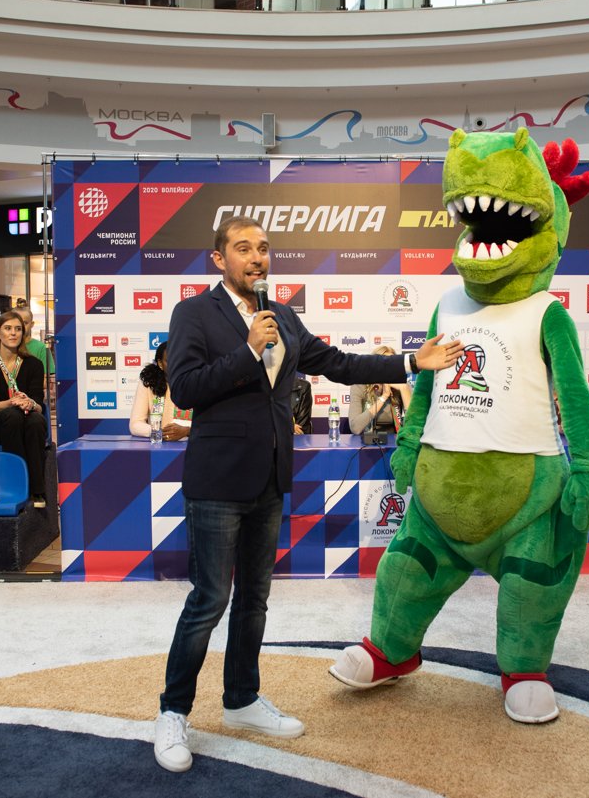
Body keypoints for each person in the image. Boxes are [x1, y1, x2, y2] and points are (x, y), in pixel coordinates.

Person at [154, 216, 464, 773]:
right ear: (219, 259)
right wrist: (248, 350)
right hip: (216, 481)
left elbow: (340, 364)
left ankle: (241, 700)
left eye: (263, 248)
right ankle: (173, 711)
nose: (257, 257)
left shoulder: (285, 316)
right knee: (209, 600)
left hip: (270, 480)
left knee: (254, 600)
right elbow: (186, 388)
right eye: (243, 248)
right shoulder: (193, 313)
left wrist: (411, 362)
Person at [0, 311, 48, 507]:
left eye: (18, 329)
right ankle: (18, 484)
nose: (13, 333)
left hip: (28, 417)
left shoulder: (34, 364)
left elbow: (38, 404)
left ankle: (38, 491)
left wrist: (29, 403)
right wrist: (13, 402)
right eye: (8, 329)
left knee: (36, 420)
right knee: (12, 416)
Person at [128, 341, 190, 441]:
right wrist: (159, 432)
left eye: (178, 360)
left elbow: (209, 425)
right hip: (160, 445)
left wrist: (187, 431)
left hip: (192, 444)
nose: (175, 365)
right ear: (160, 363)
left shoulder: (196, 381)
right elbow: (135, 424)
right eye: (169, 361)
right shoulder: (149, 383)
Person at [348, 345, 413, 435]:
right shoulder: (360, 385)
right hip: (367, 438)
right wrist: (384, 397)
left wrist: (404, 389)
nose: (387, 368)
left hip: (396, 438)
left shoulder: (402, 385)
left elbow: (413, 428)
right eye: (383, 364)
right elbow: (355, 428)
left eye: (392, 364)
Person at [13, 299, 53, 376]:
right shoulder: (3, 346)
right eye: (16, 322)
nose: (20, 326)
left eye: (25, 323)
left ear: (32, 324)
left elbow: (47, 378)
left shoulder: (41, 348)